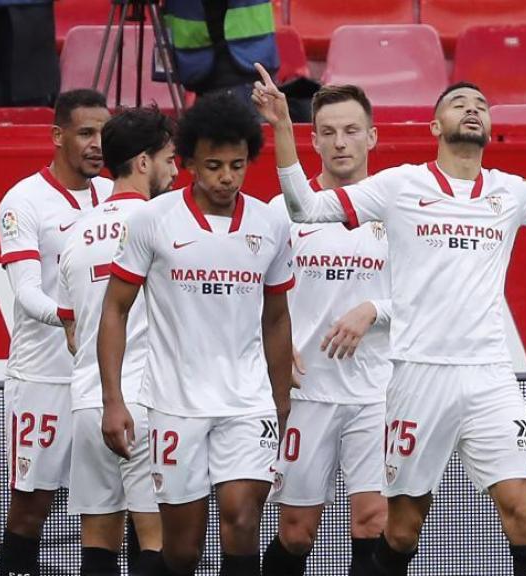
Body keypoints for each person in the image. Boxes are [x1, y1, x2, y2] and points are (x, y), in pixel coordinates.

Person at [254, 61, 526, 576]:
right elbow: (305, 209)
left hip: (489, 376)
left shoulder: (511, 193)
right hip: (417, 376)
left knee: (523, 509)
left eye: (481, 105)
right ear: (434, 126)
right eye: (458, 103)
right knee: (400, 530)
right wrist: (282, 129)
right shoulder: (399, 186)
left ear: (488, 126)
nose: (472, 109)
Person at [97, 92, 295, 576]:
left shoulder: (271, 223)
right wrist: (113, 400)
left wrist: (280, 396)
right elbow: (115, 310)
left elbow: (276, 317)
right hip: (175, 403)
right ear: (187, 163)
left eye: (237, 165)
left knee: (242, 518)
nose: (226, 177)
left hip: (247, 403)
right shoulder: (153, 220)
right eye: (213, 166)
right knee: (183, 551)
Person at [261, 84, 391, 576]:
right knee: (297, 532)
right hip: (305, 392)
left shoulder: (396, 209)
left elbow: (428, 300)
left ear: (372, 137)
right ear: (312, 140)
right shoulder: (282, 212)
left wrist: (374, 310)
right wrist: (271, 346)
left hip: (376, 391)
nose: (340, 142)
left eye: (352, 131)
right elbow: (249, 291)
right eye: (329, 132)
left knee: (373, 520)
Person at [55, 106, 177, 576]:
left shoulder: (76, 231)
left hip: (89, 403)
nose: (175, 171)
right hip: (147, 402)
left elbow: (72, 329)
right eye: (169, 159)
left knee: (98, 548)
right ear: (143, 162)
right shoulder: (163, 223)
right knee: (159, 544)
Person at [0, 88, 113, 576]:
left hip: (107, 377)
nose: (97, 144)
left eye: (105, 133)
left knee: (113, 504)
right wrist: (69, 318)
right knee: (32, 505)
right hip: (45, 378)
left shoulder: (116, 196)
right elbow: (26, 291)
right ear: (57, 135)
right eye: (86, 133)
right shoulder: (23, 201)